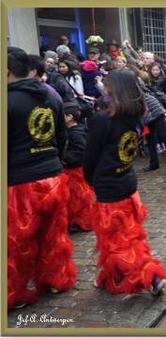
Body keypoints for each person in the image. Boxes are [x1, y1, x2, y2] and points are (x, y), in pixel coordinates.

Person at [82, 69, 166, 296]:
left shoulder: (103, 119)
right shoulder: (135, 115)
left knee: (115, 240)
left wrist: (90, 179)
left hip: (109, 187)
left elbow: (90, 156)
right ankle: (110, 277)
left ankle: (151, 277)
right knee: (126, 234)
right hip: (127, 181)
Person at [7, 46, 75, 309]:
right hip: (53, 177)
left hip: (20, 183)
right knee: (54, 235)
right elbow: (61, 137)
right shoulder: (51, 96)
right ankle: (57, 279)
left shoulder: (8, 101)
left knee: (17, 241)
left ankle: (13, 293)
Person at [60, 102, 95, 233]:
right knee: (72, 197)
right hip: (71, 169)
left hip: (75, 170)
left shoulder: (76, 133)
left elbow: (80, 152)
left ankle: (82, 221)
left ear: (69, 117)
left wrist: (64, 158)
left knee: (79, 197)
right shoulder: (73, 131)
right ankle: (74, 220)